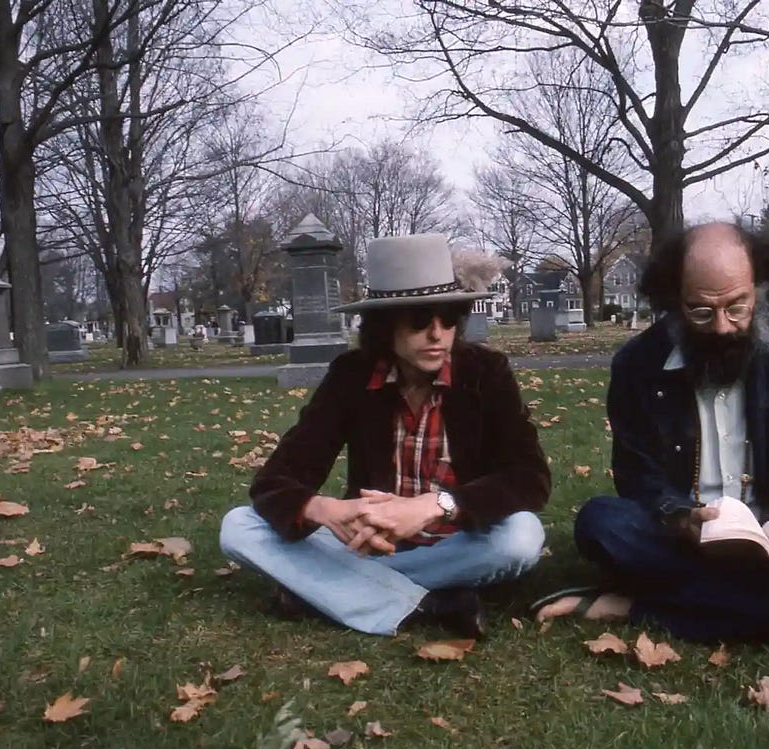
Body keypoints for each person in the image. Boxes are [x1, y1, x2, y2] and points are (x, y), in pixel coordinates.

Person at [536, 222, 769, 654]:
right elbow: (636, 476)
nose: (721, 326)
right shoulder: (638, 364)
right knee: (599, 523)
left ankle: (634, 606)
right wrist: (681, 518)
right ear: (674, 299)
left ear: (759, 285)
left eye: (738, 306)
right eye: (700, 311)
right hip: (686, 536)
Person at [219, 233, 551, 639]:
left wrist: (437, 505)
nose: (437, 335)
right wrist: (323, 509)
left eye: (448, 318)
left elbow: (528, 478)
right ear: (384, 325)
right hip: (370, 541)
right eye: (418, 321)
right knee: (238, 526)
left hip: (459, 539)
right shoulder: (351, 376)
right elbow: (276, 479)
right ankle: (430, 604)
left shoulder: (486, 372)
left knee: (521, 537)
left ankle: (319, 589)